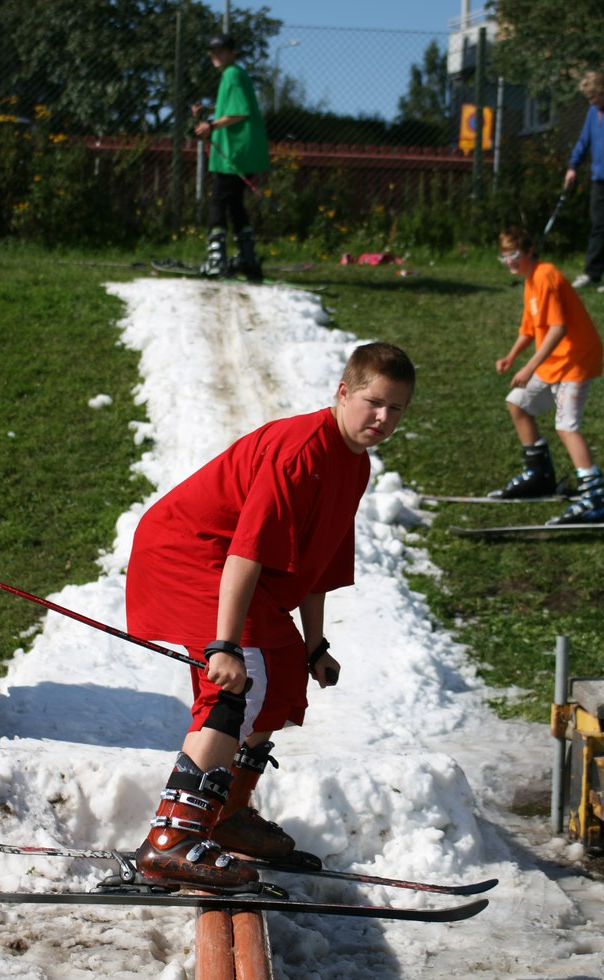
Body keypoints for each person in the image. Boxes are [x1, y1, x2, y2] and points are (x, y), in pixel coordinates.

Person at [125, 342, 416, 890]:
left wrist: (314, 645)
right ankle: (172, 839)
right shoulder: (300, 452)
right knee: (240, 686)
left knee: (281, 680)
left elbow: (320, 565)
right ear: (344, 392)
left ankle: (225, 815)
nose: (382, 417)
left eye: (396, 408)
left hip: (233, 568)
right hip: (191, 554)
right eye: (373, 402)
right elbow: (246, 551)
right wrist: (225, 646)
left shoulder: (353, 464)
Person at [491, 227, 604, 525]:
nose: (509, 261)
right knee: (518, 403)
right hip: (555, 363)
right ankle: (539, 475)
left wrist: (528, 367)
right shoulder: (532, 280)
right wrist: (511, 357)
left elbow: (558, 329)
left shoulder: (547, 276)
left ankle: (595, 495)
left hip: (575, 361)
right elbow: (529, 329)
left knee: (566, 425)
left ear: (529, 251)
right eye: (504, 256)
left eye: (514, 254)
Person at [192, 32, 269, 282]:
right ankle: (247, 257)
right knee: (234, 202)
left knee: (218, 200)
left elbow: (240, 113)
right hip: (245, 151)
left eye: (221, 50)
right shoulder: (237, 74)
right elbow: (235, 105)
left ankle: (217, 259)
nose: (216, 55)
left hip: (236, 151)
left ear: (232, 52)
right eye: (213, 51)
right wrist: (210, 110)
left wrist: (211, 126)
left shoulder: (232, 75)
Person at [565, 71, 604, 292]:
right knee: (598, 226)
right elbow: (584, 141)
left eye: (593, 96)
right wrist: (573, 167)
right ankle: (592, 274)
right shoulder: (592, 112)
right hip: (599, 178)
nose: (591, 101)